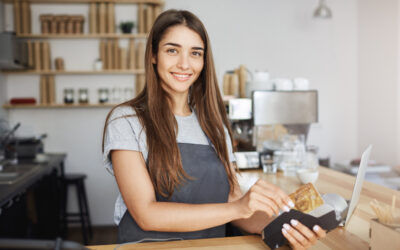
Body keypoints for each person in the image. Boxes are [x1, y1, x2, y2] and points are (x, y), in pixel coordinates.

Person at [102, 9, 326, 249]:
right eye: (172, 50)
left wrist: (288, 227)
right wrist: (237, 207)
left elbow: (236, 207)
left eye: (195, 53)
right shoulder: (126, 120)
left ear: (204, 61)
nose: (184, 64)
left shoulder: (214, 126)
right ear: (154, 55)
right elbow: (146, 214)